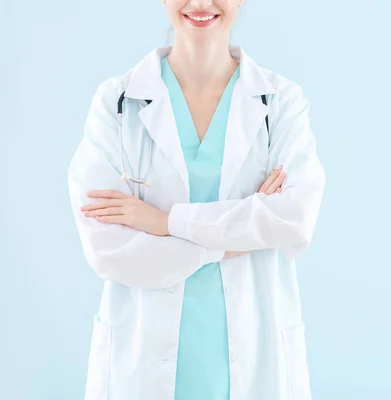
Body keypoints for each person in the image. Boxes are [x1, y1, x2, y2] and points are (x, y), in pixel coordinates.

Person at [66, 0, 326, 399]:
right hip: (141, 368)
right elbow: (109, 249)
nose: (202, 3)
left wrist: (163, 223)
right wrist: (236, 239)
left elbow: (292, 219)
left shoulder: (280, 102)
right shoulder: (116, 104)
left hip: (255, 363)